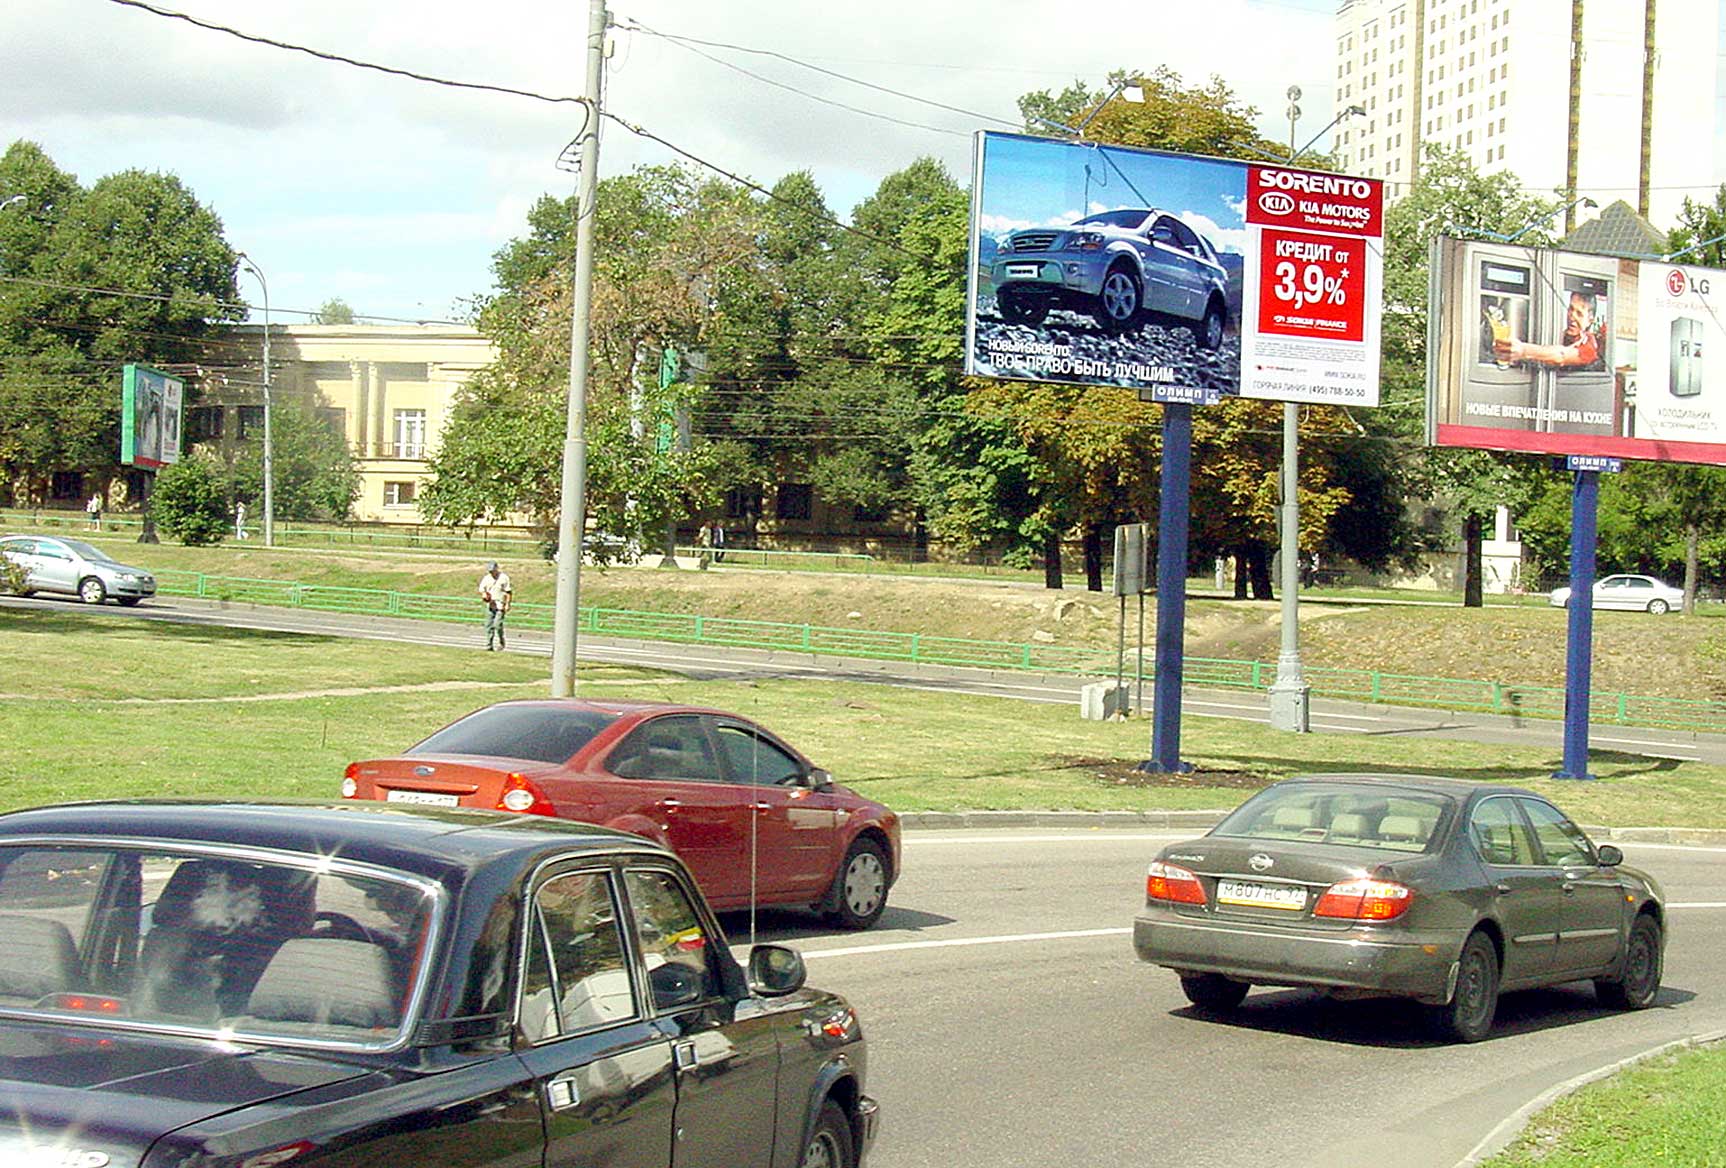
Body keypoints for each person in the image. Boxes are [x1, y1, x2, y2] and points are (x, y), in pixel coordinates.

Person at [1493, 291, 1604, 369]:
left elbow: (1561, 356)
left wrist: (1523, 350)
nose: (1572, 317)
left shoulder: (1590, 345)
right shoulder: (1558, 334)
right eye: (1571, 309)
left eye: (1579, 314)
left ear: (1590, 320)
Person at [478, 561, 513, 651]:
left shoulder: (504, 578)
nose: (491, 573)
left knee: (497, 625)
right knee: (488, 625)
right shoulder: (486, 578)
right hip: (490, 604)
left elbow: (508, 592)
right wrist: (484, 595)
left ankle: (501, 641)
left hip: (500, 604)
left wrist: (507, 604)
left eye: (493, 570)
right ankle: (489, 645)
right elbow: (482, 589)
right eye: (490, 571)